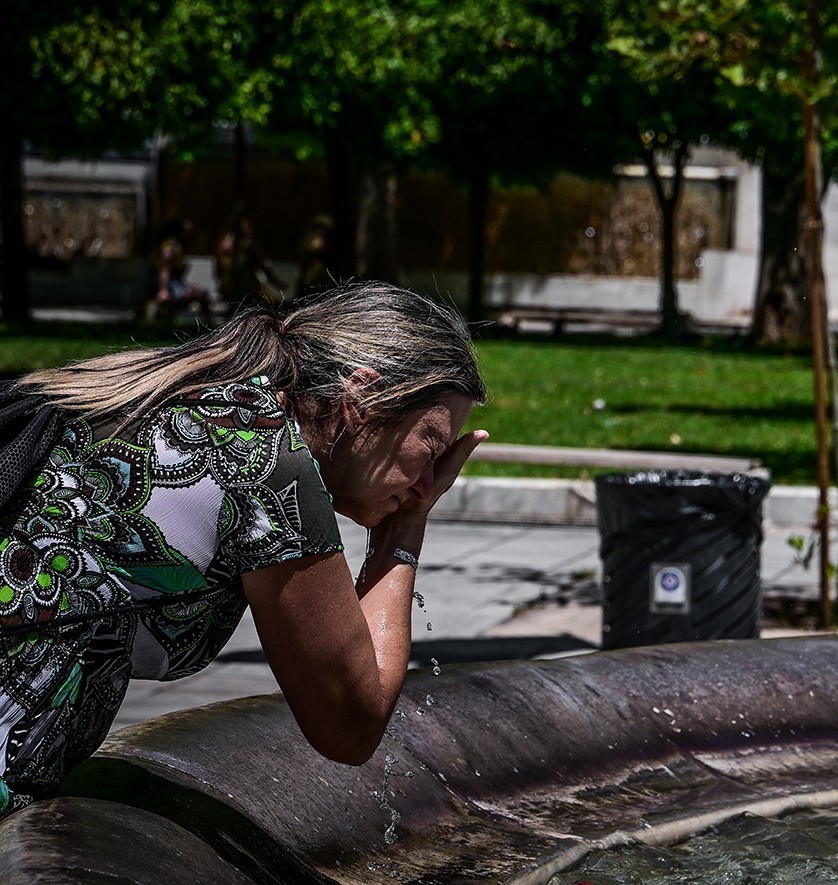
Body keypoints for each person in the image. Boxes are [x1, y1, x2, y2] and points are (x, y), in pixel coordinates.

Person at [0, 282, 489, 816]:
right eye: (433, 447)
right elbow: (351, 726)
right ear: (361, 401)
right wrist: (405, 532)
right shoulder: (265, 467)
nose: (429, 483)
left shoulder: (201, 402)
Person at [215, 214, 287, 313]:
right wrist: (276, 283)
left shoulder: (224, 242)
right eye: (248, 226)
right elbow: (262, 266)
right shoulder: (245, 245)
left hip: (238, 288)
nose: (250, 229)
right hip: (239, 288)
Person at [146, 217, 212, 322]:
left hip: (174, 283)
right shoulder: (170, 247)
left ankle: (208, 325)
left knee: (200, 294)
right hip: (163, 284)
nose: (190, 236)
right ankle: (210, 327)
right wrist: (162, 290)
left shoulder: (177, 247)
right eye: (188, 232)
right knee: (199, 295)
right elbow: (165, 269)